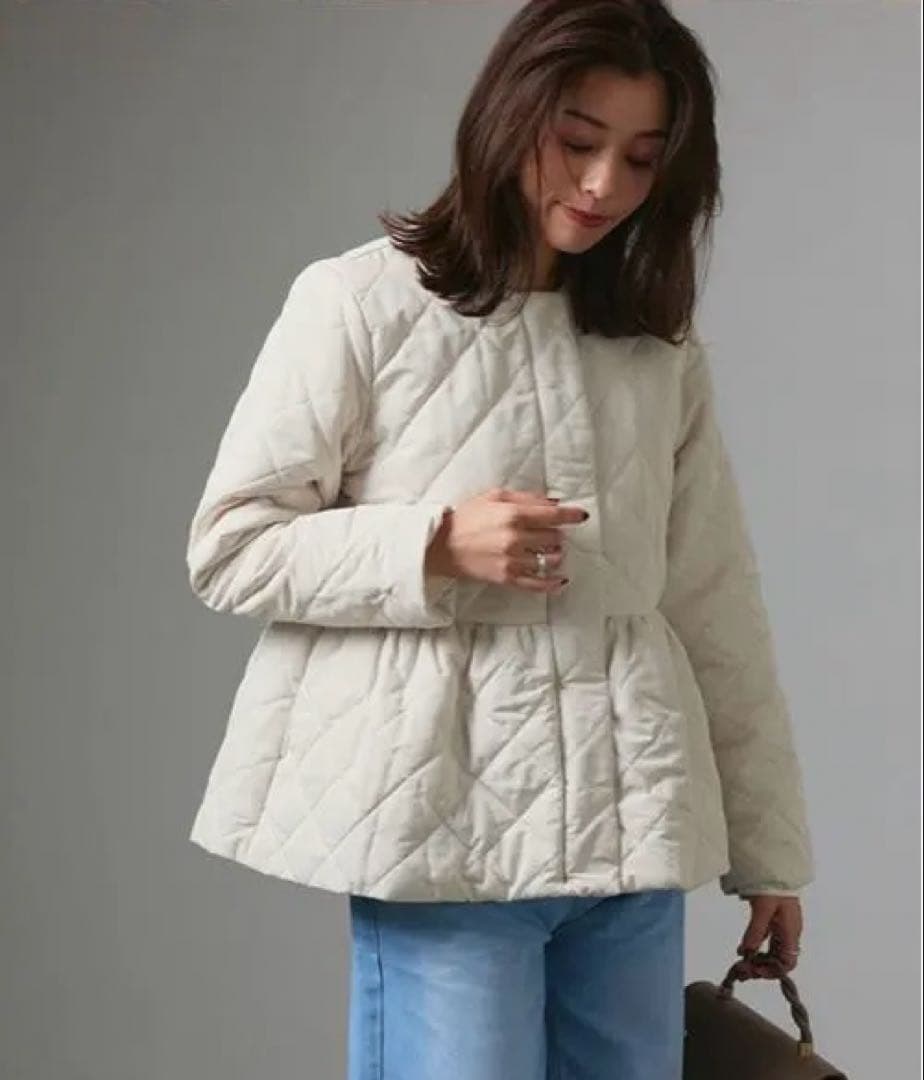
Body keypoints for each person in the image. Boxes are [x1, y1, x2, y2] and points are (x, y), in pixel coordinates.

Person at [184, 1, 815, 1076]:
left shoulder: (655, 345)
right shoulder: (358, 303)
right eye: (578, 141)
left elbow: (713, 598)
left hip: (632, 827)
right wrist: (430, 546)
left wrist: (770, 853)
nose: (603, 184)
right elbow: (232, 545)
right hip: (446, 835)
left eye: (642, 159)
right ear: (508, 116)